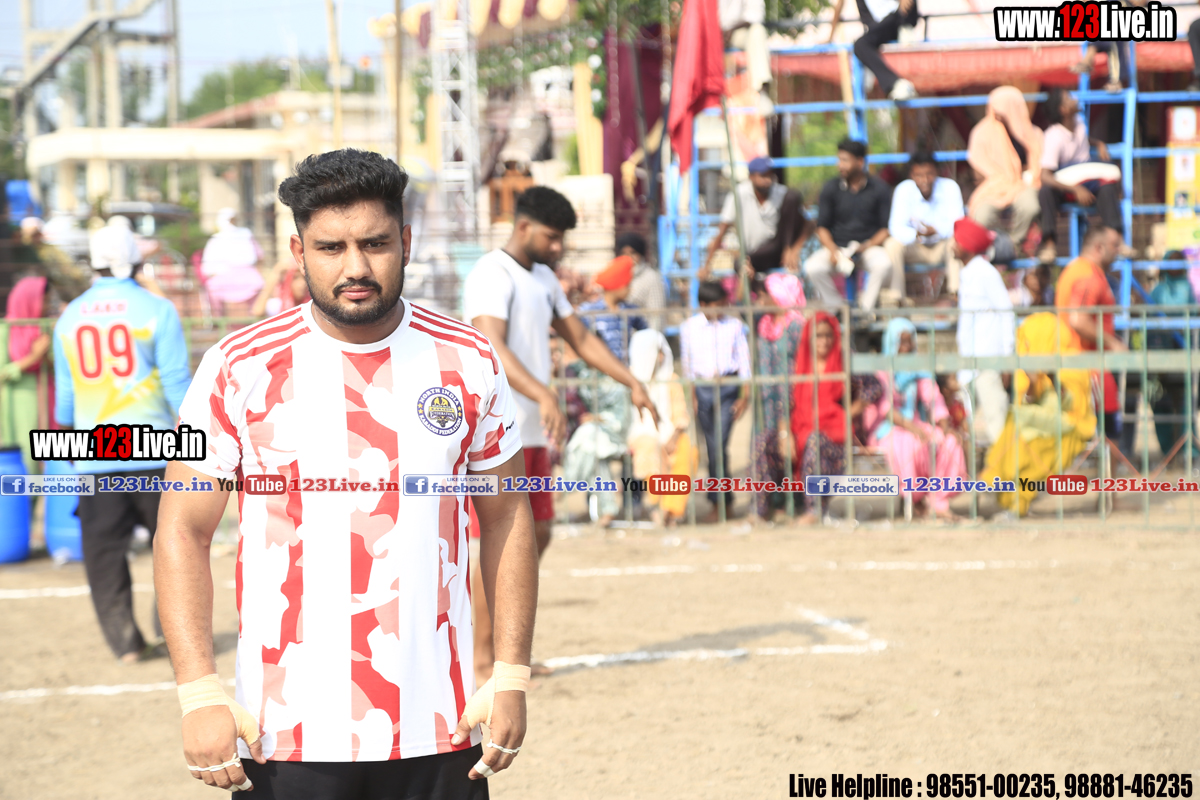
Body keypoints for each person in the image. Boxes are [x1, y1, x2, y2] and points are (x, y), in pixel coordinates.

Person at [155, 148, 537, 797]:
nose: (355, 267)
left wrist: (511, 675)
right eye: (331, 247)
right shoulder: (237, 367)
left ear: (406, 241)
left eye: (375, 244)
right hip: (285, 735)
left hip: (441, 729)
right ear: (299, 252)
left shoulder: (468, 359)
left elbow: (507, 514)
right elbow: (182, 529)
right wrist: (198, 693)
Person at [462, 186, 656, 679]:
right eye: (551, 237)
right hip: (492, 437)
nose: (558, 247)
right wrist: (543, 394)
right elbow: (489, 344)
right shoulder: (491, 272)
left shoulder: (545, 278)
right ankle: (481, 658)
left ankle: (505, 653)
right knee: (498, 543)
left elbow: (581, 337)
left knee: (537, 537)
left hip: (529, 436)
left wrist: (631, 381)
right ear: (523, 226)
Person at [53, 213, 191, 664]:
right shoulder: (156, 309)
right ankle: (172, 635)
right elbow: (176, 383)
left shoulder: (69, 317)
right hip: (155, 450)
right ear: (135, 262)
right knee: (174, 545)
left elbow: (66, 399)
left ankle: (126, 644)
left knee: (103, 552)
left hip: (94, 452)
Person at [960, 313, 1097, 517]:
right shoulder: (1034, 366)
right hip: (1038, 423)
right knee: (1018, 427)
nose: (1026, 346)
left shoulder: (1072, 363)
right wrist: (1033, 382)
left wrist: (1053, 376)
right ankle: (1002, 488)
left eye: (1029, 340)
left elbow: (1071, 405)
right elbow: (1031, 400)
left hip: (1068, 424)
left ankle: (999, 483)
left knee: (1021, 429)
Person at [864, 318, 967, 520]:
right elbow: (886, 409)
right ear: (892, 342)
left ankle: (939, 502)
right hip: (888, 428)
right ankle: (914, 499)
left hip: (917, 425)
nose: (906, 346)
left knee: (949, 442)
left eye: (909, 341)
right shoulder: (883, 371)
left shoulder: (919, 369)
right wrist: (912, 428)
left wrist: (945, 425)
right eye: (901, 341)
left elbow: (933, 398)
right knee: (910, 443)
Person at [789, 312, 882, 524]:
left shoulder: (843, 359)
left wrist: (850, 412)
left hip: (836, 435)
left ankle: (814, 510)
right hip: (801, 428)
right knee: (765, 441)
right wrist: (785, 433)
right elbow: (786, 401)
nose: (824, 341)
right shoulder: (800, 362)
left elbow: (874, 386)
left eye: (828, 335)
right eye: (818, 336)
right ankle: (759, 512)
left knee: (815, 442)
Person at [680, 281, 751, 519]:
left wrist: (744, 396)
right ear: (703, 304)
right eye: (716, 305)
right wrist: (692, 397)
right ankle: (720, 503)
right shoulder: (689, 327)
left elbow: (744, 362)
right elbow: (688, 365)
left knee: (718, 446)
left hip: (728, 388)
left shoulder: (735, 326)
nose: (721, 309)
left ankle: (721, 503)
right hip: (703, 389)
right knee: (712, 448)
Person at [804, 139, 900, 310]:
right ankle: (839, 309)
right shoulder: (830, 188)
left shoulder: (880, 188)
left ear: (860, 162)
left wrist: (866, 245)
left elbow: (885, 229)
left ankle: (865, 311)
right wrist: (833, 250)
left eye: (845, 160)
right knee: (812, 267)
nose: (840, 165)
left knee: (883, 264)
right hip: (838, 249)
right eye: (839, 160)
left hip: (867, 248)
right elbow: (822, 228)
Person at [1036, 88, 1124, 265]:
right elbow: (1045, 176)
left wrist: (1098, 143)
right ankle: (1049, 244)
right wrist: (1075, 189)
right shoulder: (1053, 136)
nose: (1074, 99)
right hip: (1067, 186)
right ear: (1063, 110)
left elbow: (1081, 138)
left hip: (1088, 181)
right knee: (1045, 192)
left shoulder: (1079, 123)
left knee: (1108, 188)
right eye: (1069, 98)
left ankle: (1117, 242)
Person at [1056, 225, 1127, 439]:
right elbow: (1078, 319)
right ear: (1099, 248)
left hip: (1079, 366)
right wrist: (1113, 342)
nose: (1119, 251)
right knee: (1109, 437)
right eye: (1115, 245)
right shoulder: (1087, 275)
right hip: (1088, 370)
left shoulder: (1077, 269)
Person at [954, 217, 1014, 447]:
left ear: (967, 246)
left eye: (957, 241)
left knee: (997, 426)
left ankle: (1006, 469)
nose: (952, 245)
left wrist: (1007, 359)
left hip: (988, 362)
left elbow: (1006, 313)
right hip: (967, 363)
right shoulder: (967, 273)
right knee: (964, 426)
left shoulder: (986, 273)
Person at [750, 273, 805, 523]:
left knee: (789, 451)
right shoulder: (764, 325)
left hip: (791, 399)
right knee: (764, 448)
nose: (760, 300)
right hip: (766, 401)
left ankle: (792, 503)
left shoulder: (796, 326)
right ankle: (766, 504)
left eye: (765, 295)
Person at [627, 329, 695, 527]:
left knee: (686, 450)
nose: (661, 356)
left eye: (662, 351)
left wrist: (674, 436)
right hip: (640, 432)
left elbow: (680, 413)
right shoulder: (630, 378)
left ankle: (671, 509)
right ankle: (655, 504)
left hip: (669, 432)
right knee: (651, 449)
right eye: (656, 351)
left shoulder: (671, 378)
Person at [702, 156, 809, 279]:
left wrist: (794, 249)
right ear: (751, 177)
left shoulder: (782, 193)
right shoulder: (739, 194)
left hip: (778, 249)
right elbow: (722, 231)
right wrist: (707, 264)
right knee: (741, 265)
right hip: (753, 254)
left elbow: (808, 224)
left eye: (770, 176)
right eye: (763, 176)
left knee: (792, 197)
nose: (767, 180)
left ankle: (787, 249)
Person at [967, 86, 1043, 248]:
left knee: (1030, 207)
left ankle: (1013, 244)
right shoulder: (981, 133)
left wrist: (1020, 176)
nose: (997, 116)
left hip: (1025, 185)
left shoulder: (1034, 134)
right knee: (981, 215)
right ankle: (993, 247)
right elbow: (978, 172)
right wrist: (1005, 178)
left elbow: (1038, 166)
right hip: (994, 186)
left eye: (1002, 111)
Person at [0, 276, 59, 473]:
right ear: (29, 300)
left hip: (50, 404)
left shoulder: (46, 329)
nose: (48, 306)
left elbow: (58, 368)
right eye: (45, 301)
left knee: (53, 463)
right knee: (27, 464)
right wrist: (32, 358)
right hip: (19, 408)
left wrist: (46, 356)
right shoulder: (5, 330)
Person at [885, 151, 965, 296]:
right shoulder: (903, 190)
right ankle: (896, 298)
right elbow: (895, 228)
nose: (925, 180)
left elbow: (959, 226)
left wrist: (937, 230)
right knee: (892, 244)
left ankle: (956, 294)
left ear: (937, 173)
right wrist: (916, 234)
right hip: (916, 247)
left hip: (943, 246)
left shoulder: (950, 187)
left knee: (957, 241)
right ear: (912, 175)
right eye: (919, 175)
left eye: (929, 174)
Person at [825, 0, 918, 100]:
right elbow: (839, 5)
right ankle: (896, 84)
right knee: (860, 45)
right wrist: (830, 37)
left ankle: (906, 27)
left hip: (897, 17)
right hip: (877, 27)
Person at [577, 256, 648, 364]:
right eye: (627, 285)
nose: (630, 289)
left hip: (626, 368)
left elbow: (646, 333)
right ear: (617, 286)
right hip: (599, 368)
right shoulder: (588, 311)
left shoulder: (631, 311)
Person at [199, 207, 265, 314]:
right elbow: (208, 268)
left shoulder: (246, 234)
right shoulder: (216, 239)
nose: (232, 223)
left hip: (248, 275)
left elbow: (260, 256)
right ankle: (221, 318)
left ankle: (254, 316)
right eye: (230, 220)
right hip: (224, 275)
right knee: (211, 288)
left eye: (233, 220)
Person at [617, 232, 667, 331]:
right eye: (624, 253)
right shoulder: (618, 277)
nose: (629, 257)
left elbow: (656, 315)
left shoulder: (651, 278)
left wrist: (653, 337)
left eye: (633, 253)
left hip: (642, 336)